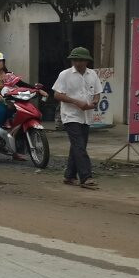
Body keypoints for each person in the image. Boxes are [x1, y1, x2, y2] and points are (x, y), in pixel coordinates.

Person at [0, 52, 47, 158]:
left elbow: (22, 84)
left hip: (7, 102)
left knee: (19, 114)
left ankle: (15, 149)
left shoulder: (9, 75)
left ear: (3, 62)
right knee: (1, 111)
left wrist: (37, 90)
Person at [52, 47, 101, 189]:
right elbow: (57, 95)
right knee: (79, 145)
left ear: (86, 61)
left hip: (86, 115)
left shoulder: (92, 75)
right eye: (75, 60)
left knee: (78, 146)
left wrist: (95, 102)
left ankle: (69, 176)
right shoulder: (65, 75)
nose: (77, 63)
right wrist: (76, 102)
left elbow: (97, 92)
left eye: (80, 60)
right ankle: (86, 177)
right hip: (70, 115)